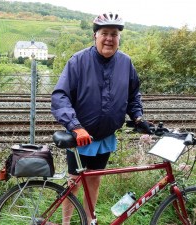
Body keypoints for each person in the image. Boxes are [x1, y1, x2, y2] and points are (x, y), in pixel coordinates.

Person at [51, 12, 153, 225]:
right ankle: (66, 223)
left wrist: (137, 117)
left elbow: (133, 94)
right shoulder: (78, 61)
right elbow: (60, 96)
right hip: (81, 136)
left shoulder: (126, 63)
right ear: (95, 36)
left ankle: (89, 221)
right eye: (104, 33)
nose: (109, 38)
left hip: (105, 136)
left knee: (94, 180)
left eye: (114, 34)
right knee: (74, 183)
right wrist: (75, 126)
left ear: (119, 38)